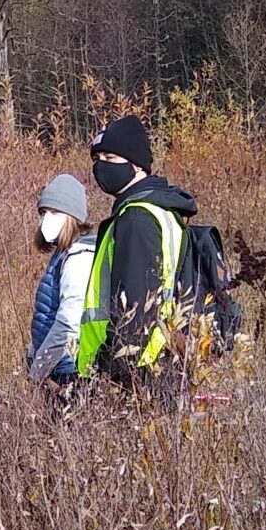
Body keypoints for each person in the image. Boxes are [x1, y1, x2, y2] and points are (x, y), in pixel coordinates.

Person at [76, 114, 199, 389]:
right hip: (161, 364)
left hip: (135, 376)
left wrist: (106, 374)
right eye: (98, 159)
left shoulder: (136, 219)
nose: (101, 167)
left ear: (136, 165)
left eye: (110, 158)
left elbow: (134, 310)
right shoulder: (161, 211)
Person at [24, 171, 96, 391]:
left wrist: (38, 370)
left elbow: (68, 322)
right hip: (54, 366)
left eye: (55, 212)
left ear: (73, 217)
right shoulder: (62, 253)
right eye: (44, 212)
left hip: (67, 371)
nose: (47, 218)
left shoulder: (79, 256)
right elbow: (48, 312)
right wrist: (33, 351)